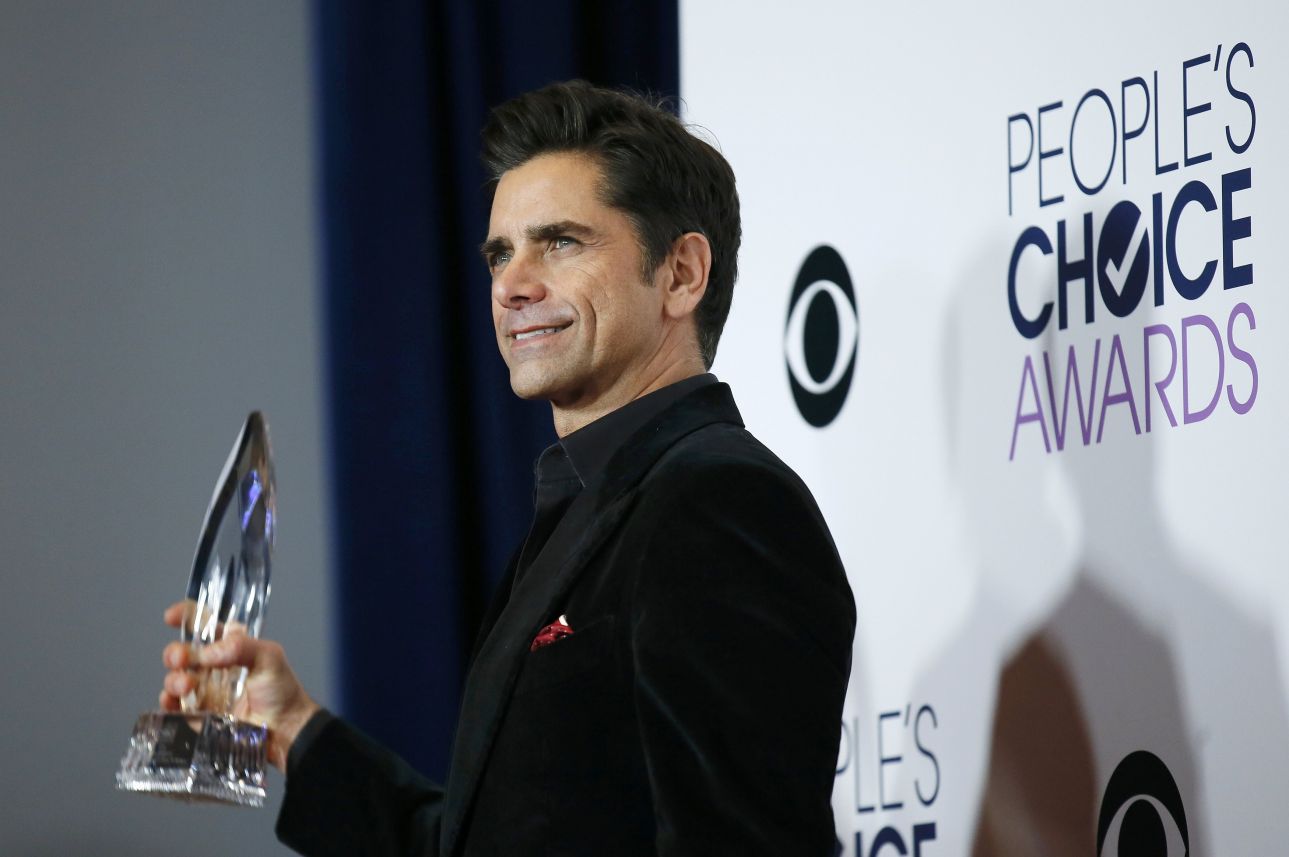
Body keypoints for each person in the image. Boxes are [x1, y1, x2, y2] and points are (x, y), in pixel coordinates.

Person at [161, 80, 855, 856]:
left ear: (681, 273)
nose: (511, 286)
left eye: (560, 242)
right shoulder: (582, 512)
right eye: (500, 253)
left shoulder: (718, 502)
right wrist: (293, 727)